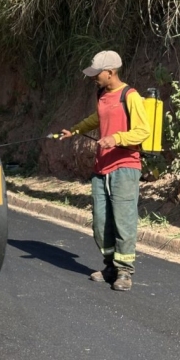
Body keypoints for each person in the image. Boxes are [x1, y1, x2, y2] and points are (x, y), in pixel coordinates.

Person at [59, 51, 150, 291]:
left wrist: (117, 138)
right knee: (101, 222)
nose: (93, 78)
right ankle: (110, 266)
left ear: (110, 72)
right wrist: (75, 130)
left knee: (123, 220)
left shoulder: (130, 96)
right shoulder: (102, 94)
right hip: (102, 167)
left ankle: (125, 272)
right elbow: (97, 118)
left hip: (125, 166)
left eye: (97, 74)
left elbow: (143, 131)